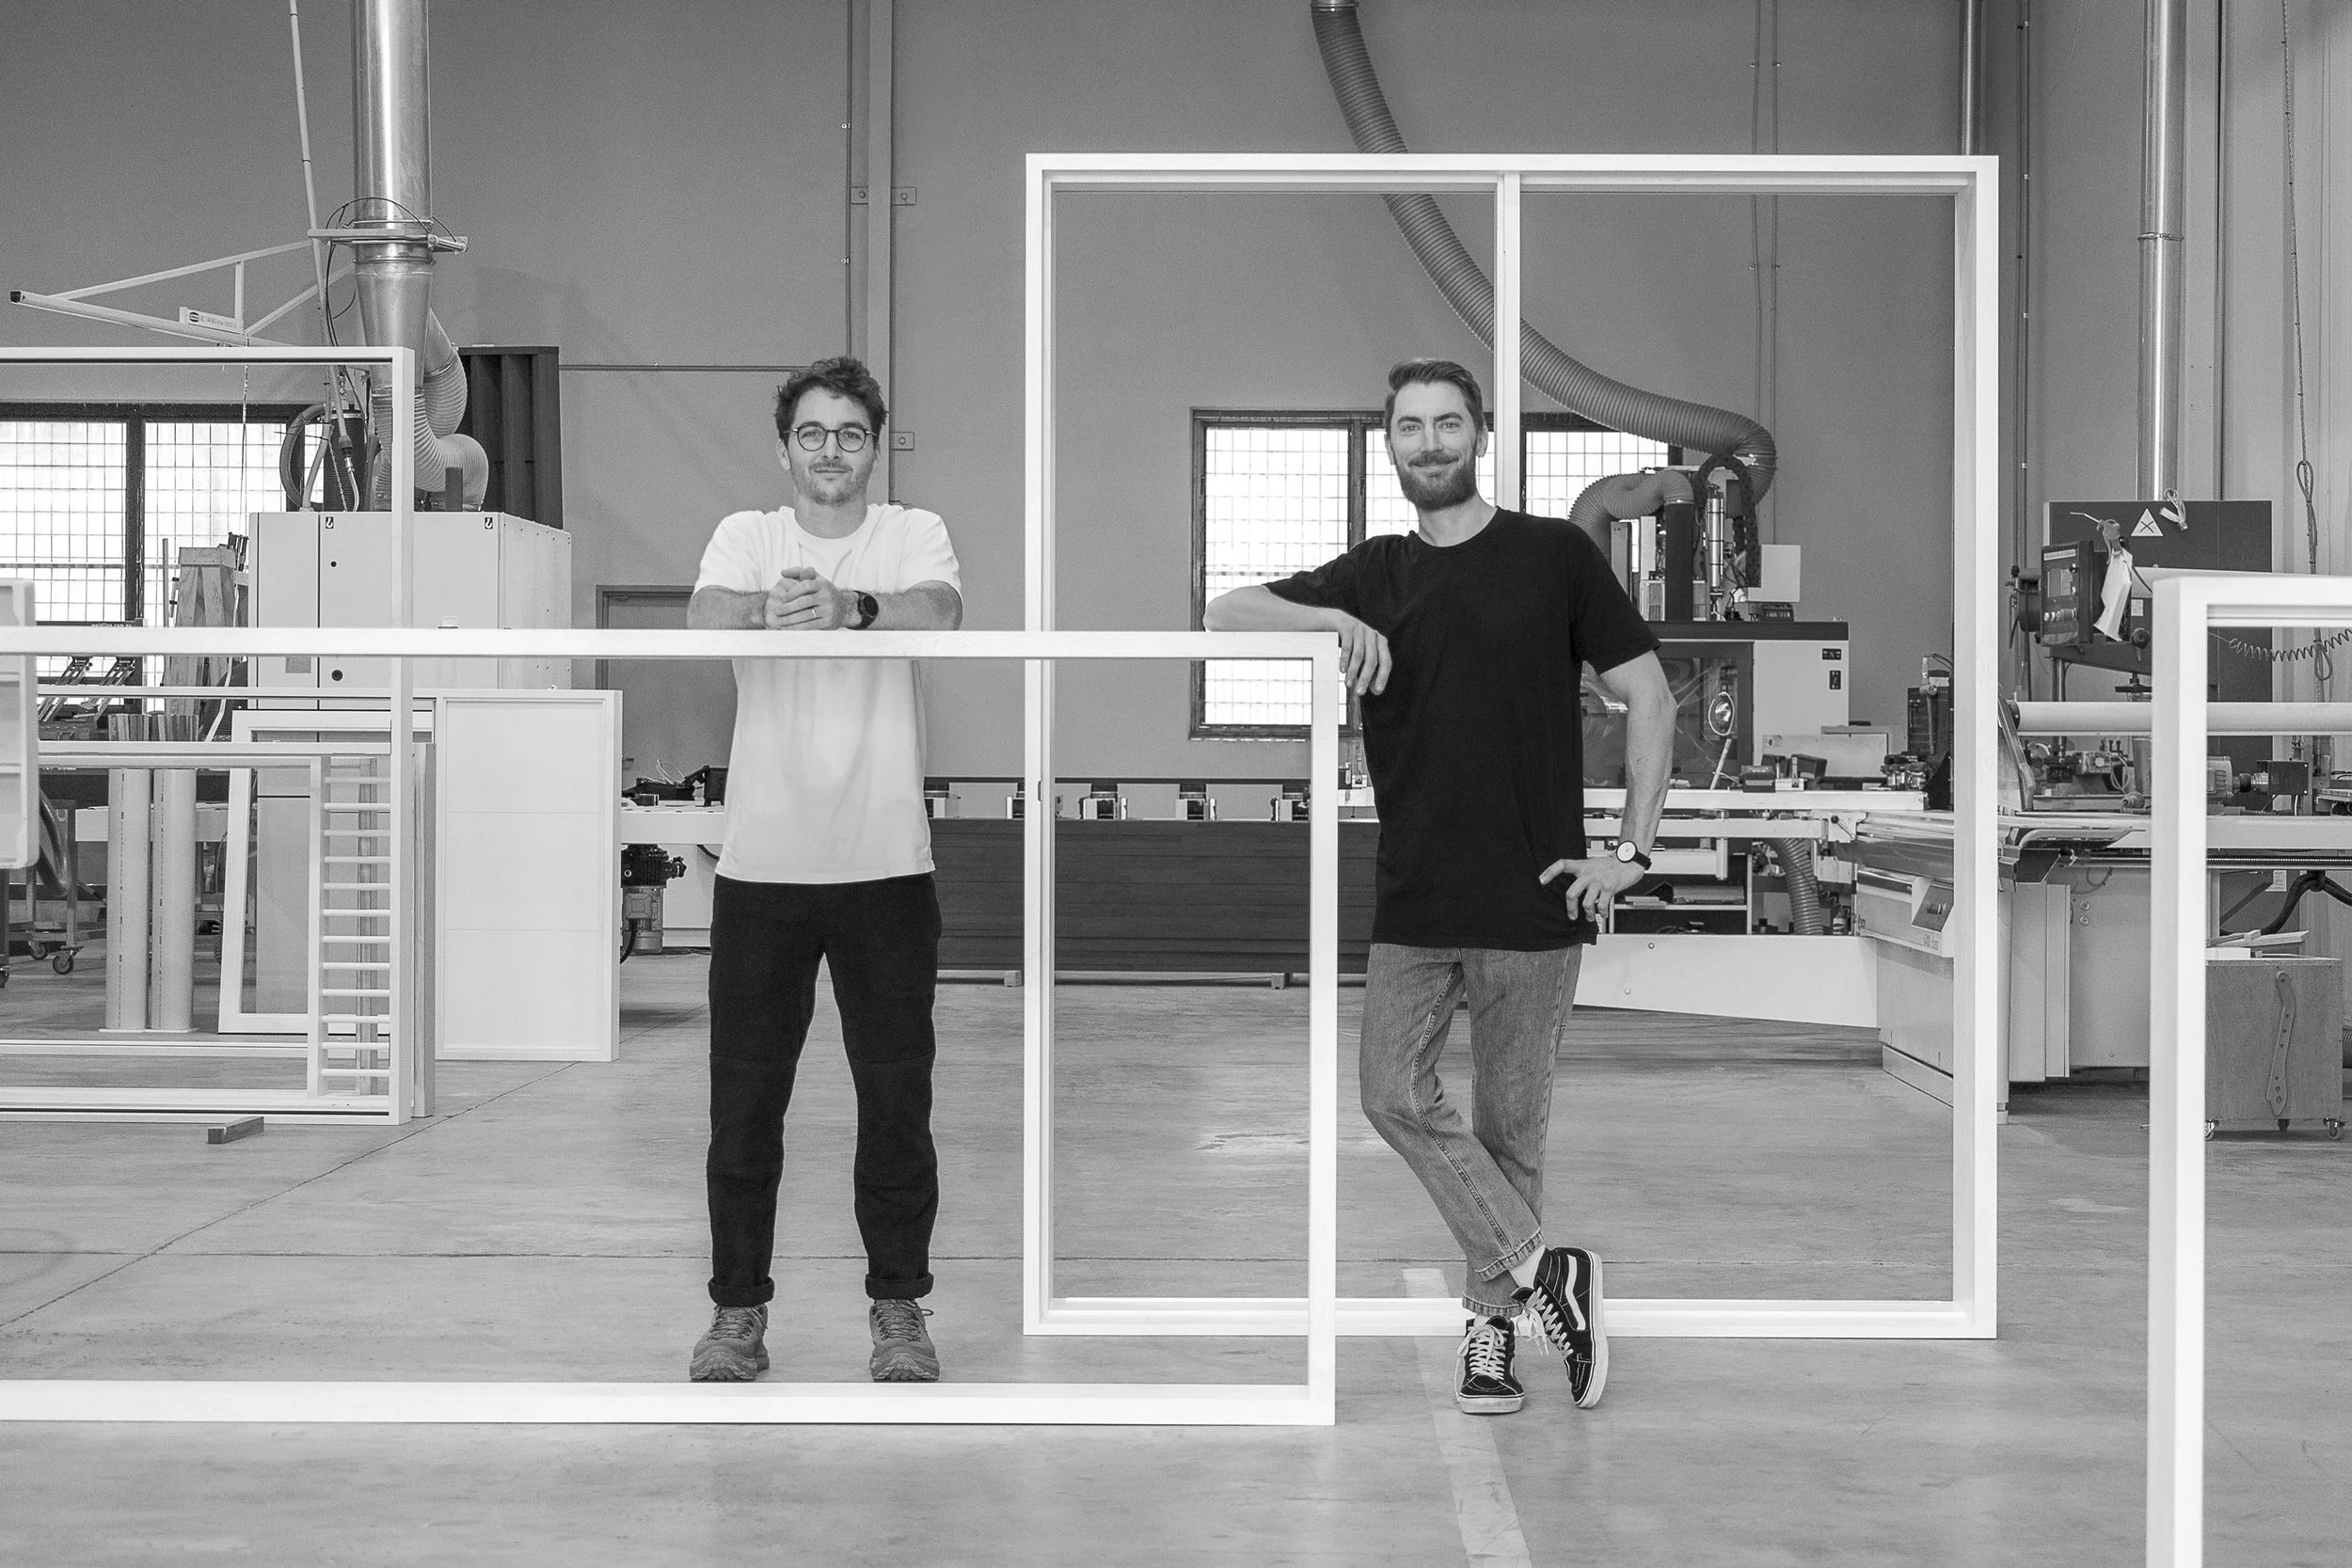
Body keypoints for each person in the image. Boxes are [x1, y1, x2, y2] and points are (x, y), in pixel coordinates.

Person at [1204, 358, 1675, 1415]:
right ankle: (1546, 1265)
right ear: (1391, 445)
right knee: (1388, 1093)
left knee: (1510, 1133)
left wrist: (1631, 853)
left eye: (1448, 423)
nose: (1430, 442)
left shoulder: (1554, 555)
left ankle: (1490, 1335)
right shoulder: (1374, 571)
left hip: (1535, 896)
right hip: (1415, 896)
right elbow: (1226, 612)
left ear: (1480, 436)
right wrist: (1327, 622)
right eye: (1410, 426)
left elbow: (1649, 696)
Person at [683, 356, 963, 1384]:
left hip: (886, 869)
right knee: (744, 1109)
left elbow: (940, 610)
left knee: (895, 1106)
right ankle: (736, 1312)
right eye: (812, 432)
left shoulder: (911, 531)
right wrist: (776, 608)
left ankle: (899, 1307)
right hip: (764, 874)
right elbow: (705, 616)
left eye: (849, 433)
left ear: (873, 447)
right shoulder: (748, 536)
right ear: (785, 449)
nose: (830, 450)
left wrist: (852, 609)